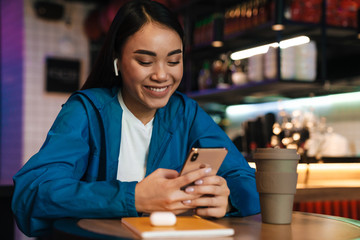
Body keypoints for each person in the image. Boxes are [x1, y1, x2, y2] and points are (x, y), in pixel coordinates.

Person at [12, 0, 260, 237]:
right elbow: (32, 195)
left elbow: (247, 181)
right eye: (145, 61)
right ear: (117, 61)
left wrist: (226, 201)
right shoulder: (87, 110)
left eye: (174, 60)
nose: (162, 75)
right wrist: (135, 197)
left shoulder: (186, 113)